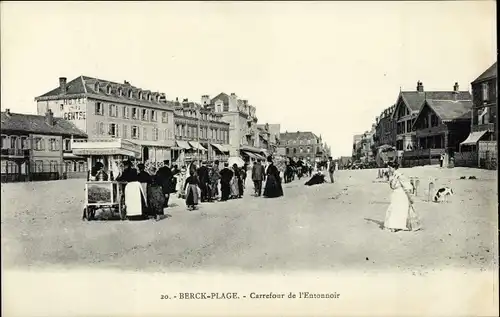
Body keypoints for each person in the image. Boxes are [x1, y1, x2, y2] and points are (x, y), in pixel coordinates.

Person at [383, 162, 421, 232]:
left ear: (393, 167)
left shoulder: (399, 175)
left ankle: (396, 225)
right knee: (395, 209)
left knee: (398, 209)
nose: (388, 169)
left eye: (389, 167)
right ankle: (395, 225)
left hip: (401, 194)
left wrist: (409, 196)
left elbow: (406, 185)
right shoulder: (393, 175)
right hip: (396, 194)